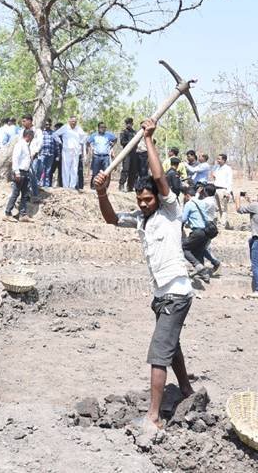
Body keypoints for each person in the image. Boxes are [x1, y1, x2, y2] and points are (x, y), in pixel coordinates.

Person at [94, 118, 195, 435]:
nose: (143, 203)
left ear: (159, 198)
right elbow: (112, 219)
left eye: (148, 199)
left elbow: (160, 177)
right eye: (139, 199)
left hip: (177, 293)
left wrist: (149, 139)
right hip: (160, 294)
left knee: (157, 354)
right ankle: (188, 392)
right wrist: (101, 194)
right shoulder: (141, 218)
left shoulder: (170, 211)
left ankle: (153, 416)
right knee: (171, 346)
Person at [181, 186, 212, 282]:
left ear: (187, 195)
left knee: (184, 248)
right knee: (199, 251)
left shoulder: (189, 204)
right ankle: (204, 275)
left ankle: (197, 266)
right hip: (206, 232)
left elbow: (183, 219)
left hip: (197, 231)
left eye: (184, 197)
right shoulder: (202, 202)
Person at [5, 129, 34, 222]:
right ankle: (7, 213)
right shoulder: (20, 145)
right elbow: (15, 158)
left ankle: (22, 214)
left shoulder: (26, 145)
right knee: (15, 193)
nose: (32, 138)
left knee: (25, 194)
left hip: (25, 172)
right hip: (19, 172)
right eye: (32, 136)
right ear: (28, 135)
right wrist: (16, 172)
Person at [53, 116, 86, 189]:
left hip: (76, 151)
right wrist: (60, 142)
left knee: (74, 168)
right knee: (65, 168)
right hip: (66, 150)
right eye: (72, 121)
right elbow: (55, 134)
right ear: (69, 121)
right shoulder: (65, 127)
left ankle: (72, 186)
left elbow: (84, 136)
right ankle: (66, 186)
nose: (74, 123)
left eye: (75, 121)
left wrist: (80, 143)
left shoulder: (78, 128)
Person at [86, 122, 117, 189]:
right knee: (95, 172)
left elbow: (115, 139)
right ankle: (93, 186)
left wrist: (112, 144)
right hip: (96, 156)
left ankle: (105, 186)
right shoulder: (94, 135)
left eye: (104, 127)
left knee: (106, 172)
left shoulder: (108, 135)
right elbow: (88, 142)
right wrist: (90, 149)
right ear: (98, 128)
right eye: (102, 127)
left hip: (106, 156)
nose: (103, 129)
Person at [210, 153, 233, 229]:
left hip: (223, 190)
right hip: (215, 189)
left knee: (223, 208)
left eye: (219, 159)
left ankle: (222, 224)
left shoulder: (228, 169)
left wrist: (228, 192)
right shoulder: (217, 168)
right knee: (216, 207)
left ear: (224, 160)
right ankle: (217, 223)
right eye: (217, 159)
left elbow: (230, 181)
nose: (218, 160)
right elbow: (215, 178)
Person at [34, 118, 56, 187]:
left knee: (48, 170)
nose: (48, 126)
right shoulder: (41, 133)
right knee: (40, 169)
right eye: (46, 124)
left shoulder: (53, 133)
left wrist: (57, 155)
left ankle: (46, 185)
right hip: (42, 154)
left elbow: (56, 144)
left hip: (51, 154)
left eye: (49, 124)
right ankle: (37, 184)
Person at [118, 118, 137, 192]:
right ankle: (121, 185)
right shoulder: (124, 132)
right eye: (127, 123)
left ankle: (130, 186)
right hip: (126, 153)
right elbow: (122, 142)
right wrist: (131, 142)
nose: (129, 124)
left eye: (130, 123)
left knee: (133, 170)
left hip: (134, 153)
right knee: (125, 169)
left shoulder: (135, 132)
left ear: (132, 124)